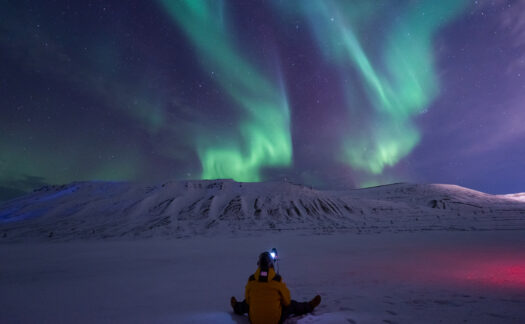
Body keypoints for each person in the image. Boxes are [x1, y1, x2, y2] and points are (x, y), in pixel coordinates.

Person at [230, 251, 321, 324]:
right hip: (275, 321)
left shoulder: (252, 279)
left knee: (246, 304)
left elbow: (248, 300)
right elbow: (287, 301)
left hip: (254, 321)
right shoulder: (277, 279)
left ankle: (236, 307)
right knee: (292, 305)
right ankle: (309, 306)